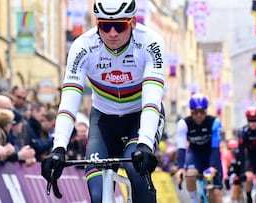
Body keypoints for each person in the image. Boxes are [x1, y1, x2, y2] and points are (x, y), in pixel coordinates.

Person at [41, 0, 166, 202]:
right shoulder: (83, 46)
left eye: (120, 25)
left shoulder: (151, 43)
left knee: (135, 168)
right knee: (98, 194)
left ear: (133, 22)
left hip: (139, 116)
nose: (112, 33)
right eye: (105, 26)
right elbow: (68, 104)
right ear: (97, 23)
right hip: (103, 120)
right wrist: (58, 148)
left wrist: (145, 143)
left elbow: (151, 100)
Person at [175, 93, 223, 203]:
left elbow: (215, 148)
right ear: (191, 112)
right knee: (190, 175)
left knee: (215, 194)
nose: (198, 115)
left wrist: (212, 167)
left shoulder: (214, 122)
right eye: (195, 112)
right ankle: (194, 200)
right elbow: (181, 148)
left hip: (211, 154)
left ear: (206, 111)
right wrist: (180, 168)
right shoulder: (184, 124)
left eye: (202, 112)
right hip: (195, 154)